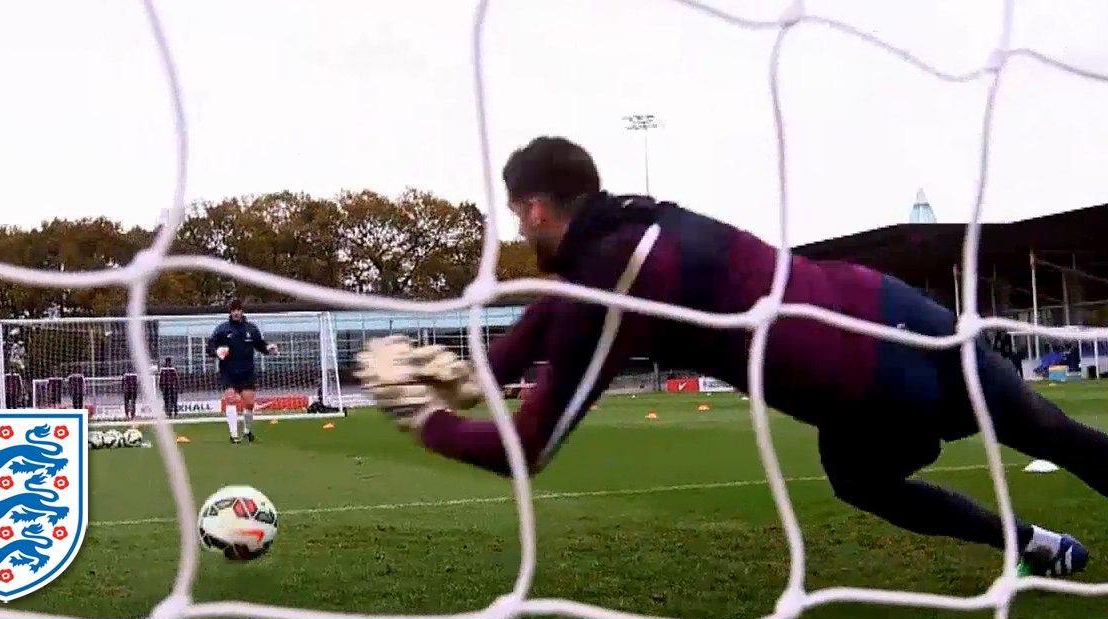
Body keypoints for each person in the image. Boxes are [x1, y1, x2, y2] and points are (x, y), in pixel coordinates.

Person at [356, 135, 1105, 579]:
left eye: (518, 212)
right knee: (1049, 432)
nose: (520, 225)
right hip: (891, 311)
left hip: (866, 387)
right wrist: (470, 372)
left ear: (536, 208)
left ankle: (1031, 543)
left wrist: (423, 417)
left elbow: (528, 446)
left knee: (877, 476)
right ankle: (1039, 546)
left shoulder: (612, 279)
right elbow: (548, 317)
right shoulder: (634, 222)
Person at [206, 297, 279, 443]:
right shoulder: (222, 329)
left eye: (238, 310)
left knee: (249, 403)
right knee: (231, 399)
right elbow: (209, 347)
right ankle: (234, 435)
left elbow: (260, 345)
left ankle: (247, 431)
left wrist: (268, 349)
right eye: (233, 310)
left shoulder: (251, 328)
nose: (236, 313)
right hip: (228, 371)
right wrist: (217, 353)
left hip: (247, 371)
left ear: (242, 311)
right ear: (230, 312)